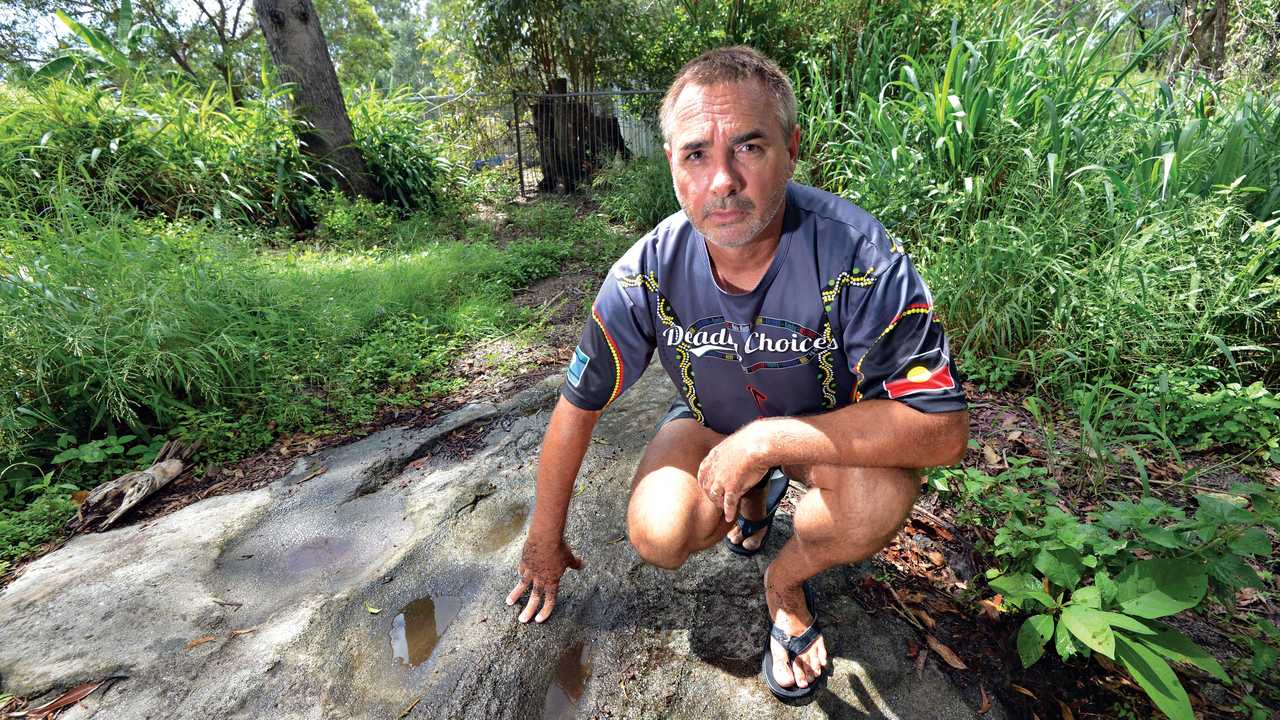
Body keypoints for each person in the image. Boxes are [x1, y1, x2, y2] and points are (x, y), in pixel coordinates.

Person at [505, 46, 969, 702]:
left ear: (792, 147)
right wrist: (542, 543)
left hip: (823, 432)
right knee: (658, 532)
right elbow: (575, 408)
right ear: (672, 164)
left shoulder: (860, 256)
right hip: (709, 422)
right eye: (696, 153)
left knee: (876, 500)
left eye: (749, 147)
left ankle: (784, 584)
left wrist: (767, 443)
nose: (721, 179)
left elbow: (943, 430)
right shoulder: (642, 274)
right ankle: (752, 498)